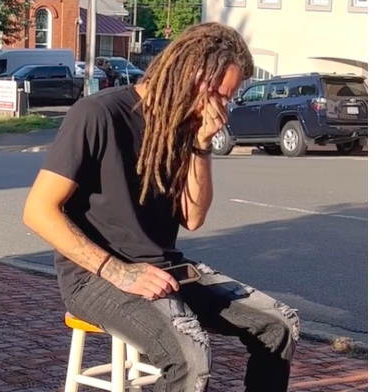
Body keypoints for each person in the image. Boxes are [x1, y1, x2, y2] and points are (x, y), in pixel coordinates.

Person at [22, 22, 299, 392]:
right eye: (220, 95)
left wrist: (201, 144)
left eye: (229, 99)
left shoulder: (183, 128)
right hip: (94, 276)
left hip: (164, 268)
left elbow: (194, 218)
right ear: (192, 75)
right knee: (190, 354)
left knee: (279, 325)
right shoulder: (97, 114)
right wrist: (119, 272)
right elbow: (38, 211)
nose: (224, 109)